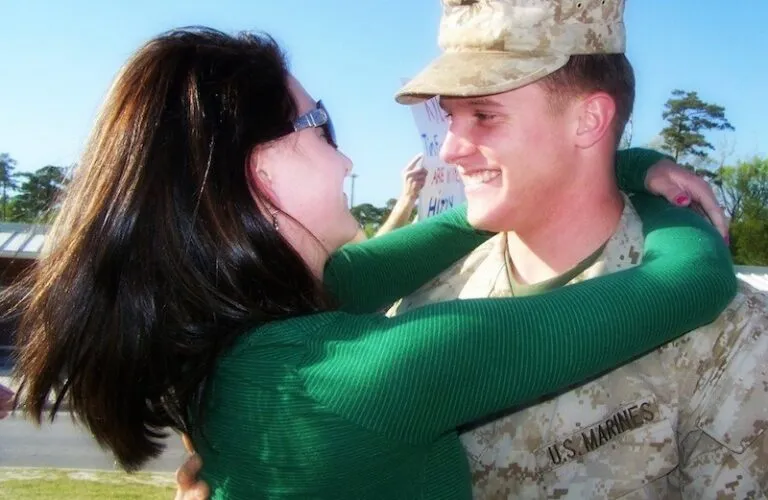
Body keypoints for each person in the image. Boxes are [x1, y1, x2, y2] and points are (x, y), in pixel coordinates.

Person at [8, 27, 736, 500]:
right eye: (320, 125)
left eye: (483, 117)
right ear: (257, 173)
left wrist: (623, 163)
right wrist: (668, 197)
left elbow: (448, 229)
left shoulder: (237, 331)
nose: (348, 155)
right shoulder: (367, 378)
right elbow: (689, 283)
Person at [397, 0, 766, 498]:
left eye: (484, 115)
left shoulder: (729, 334)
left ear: (589, 119)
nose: (450, 149)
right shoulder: (422, 302)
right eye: (451, 117)